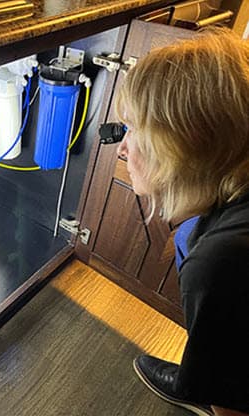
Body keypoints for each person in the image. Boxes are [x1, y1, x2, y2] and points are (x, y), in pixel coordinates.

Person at [115, 28, 249, 416]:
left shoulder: (221, 261)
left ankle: (213, 387)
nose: (122, 148)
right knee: (189, 235)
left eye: (134, 129)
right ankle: (205, 374)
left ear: (183, 146)